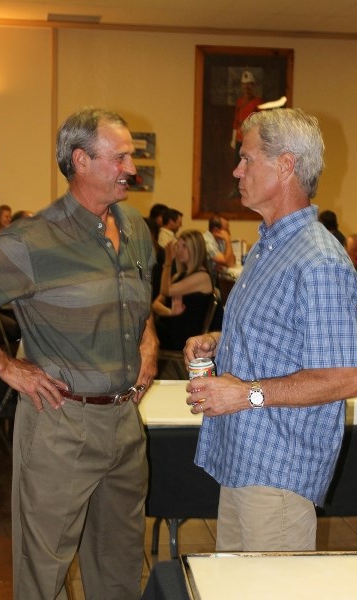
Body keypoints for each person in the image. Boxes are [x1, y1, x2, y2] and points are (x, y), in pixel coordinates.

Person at [0, 107, 158, 600]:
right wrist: (8, 368)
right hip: (60, 424)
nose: (132, 168)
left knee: (119, 568)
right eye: (121, 156)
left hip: (125, 423)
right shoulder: (31, 241)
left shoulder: (135, 228)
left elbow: (138, 299)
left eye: (131, 155)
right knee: (43, 572)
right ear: (80, 161)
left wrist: (149, 339)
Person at [184, 108, 357, 553]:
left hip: (279, 471)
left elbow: (343, 376)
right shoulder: (270, 245)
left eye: (247, 159)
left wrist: (245, 394)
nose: (237, 170)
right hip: (244, 457)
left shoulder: (319, 260)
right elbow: (275, 335)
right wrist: (217, 342)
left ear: (286, 166)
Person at [153, 230, 216, 351]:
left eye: (185, 246)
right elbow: (155, 304)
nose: (179, 250)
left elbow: (165, 291)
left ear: (195, 250)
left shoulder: (202, 277)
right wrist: (170, 312)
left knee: (141, 328)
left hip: (185, 335)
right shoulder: (180, 275)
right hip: (171, 327)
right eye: (178, 246)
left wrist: (167, 262)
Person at [230, 70, 263, 169]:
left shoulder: (258, 101)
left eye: (249, 85)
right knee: (237, 165)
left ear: (253, 86)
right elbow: (236, 120)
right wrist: (233, 138)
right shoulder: (239, 101)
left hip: (252, 138)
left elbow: (262, 121)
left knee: (250, 165)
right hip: (240, 138)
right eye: (244, 85)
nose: (246, 88)